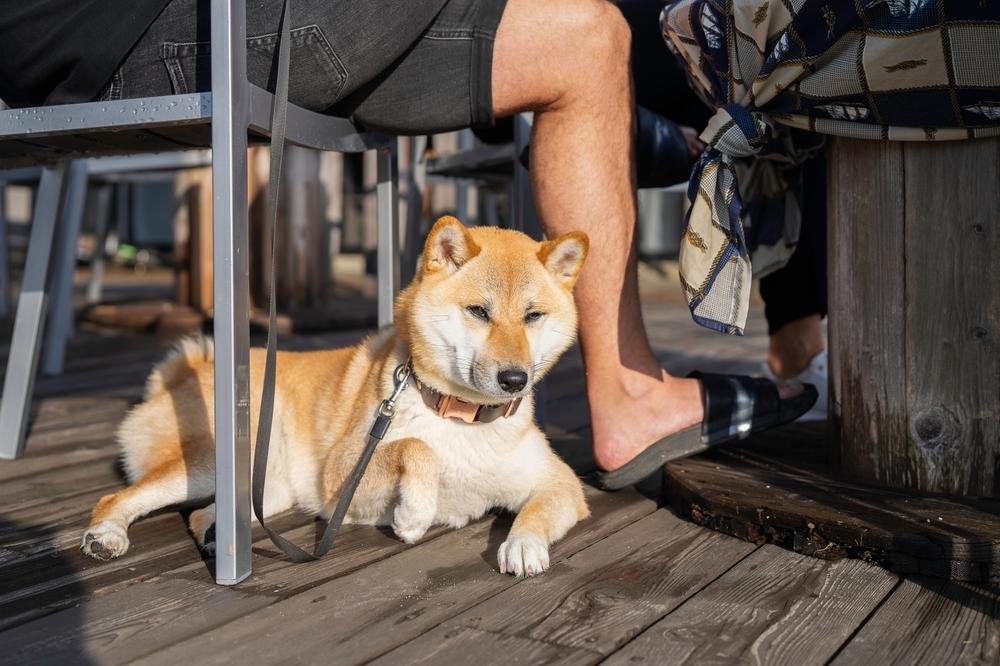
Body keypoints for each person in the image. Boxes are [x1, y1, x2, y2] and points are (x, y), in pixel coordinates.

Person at [0, 0, 815, 488]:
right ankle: (662, 160)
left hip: (89, 33)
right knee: (599, 33)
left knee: (593, 33)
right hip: (144, 28)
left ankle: (651, 147)